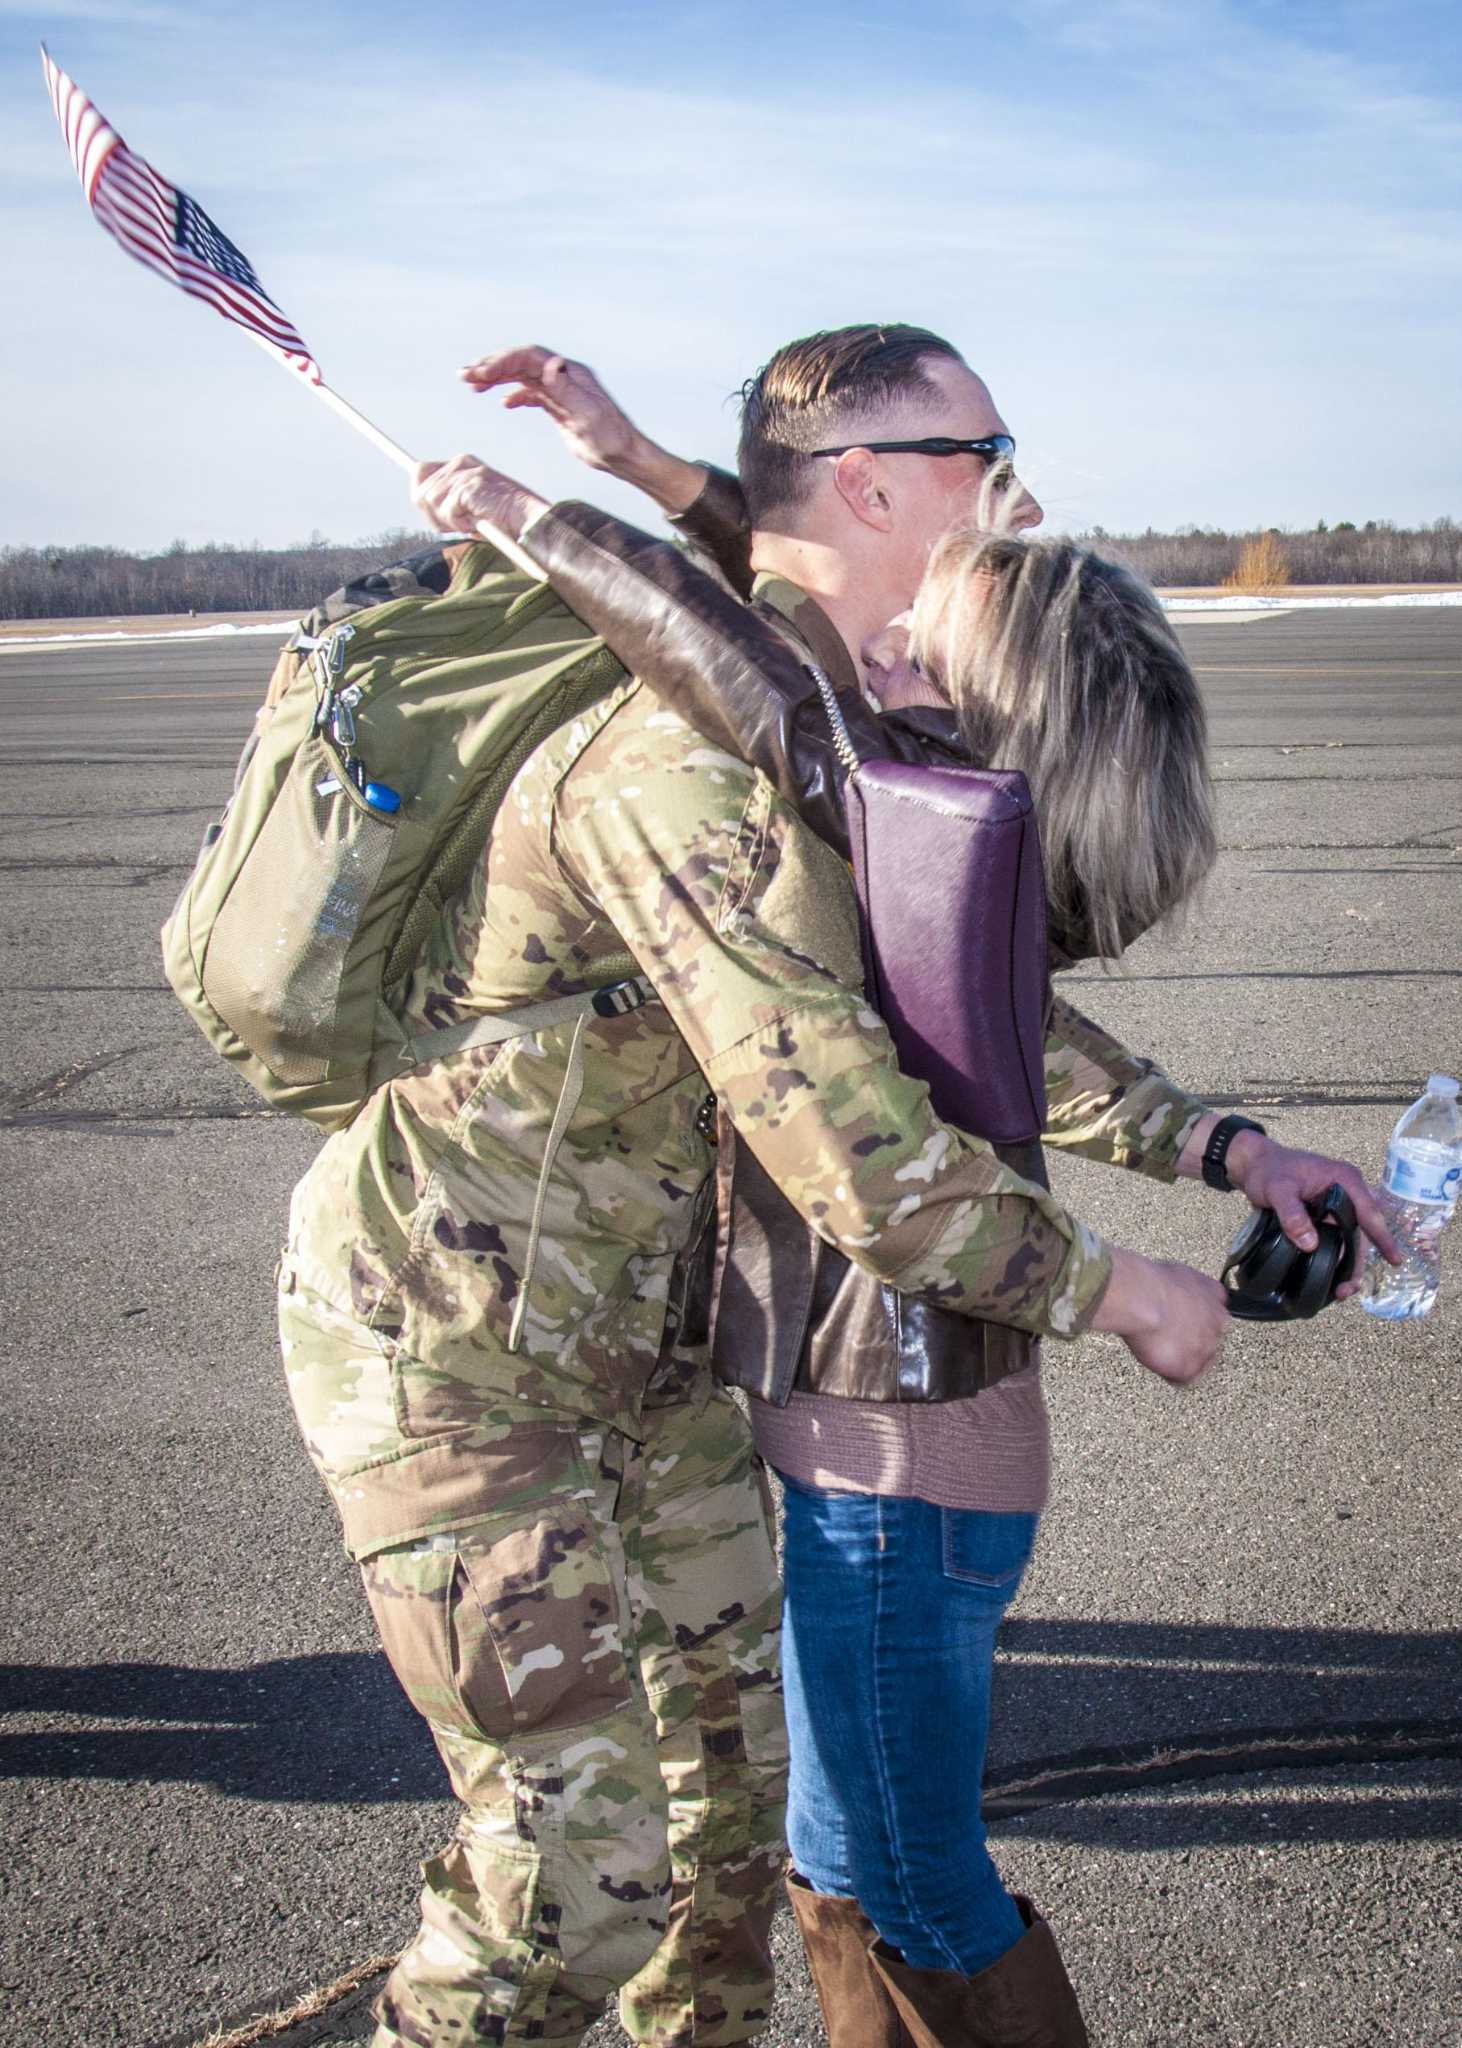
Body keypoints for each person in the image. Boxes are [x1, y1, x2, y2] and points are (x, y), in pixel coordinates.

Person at [402, 326, 1399, 2048]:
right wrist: (626, 474)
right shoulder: (865, 780)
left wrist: (534, 510)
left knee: (901, 1873)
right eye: (982, 456)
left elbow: (749, 669)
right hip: (774, 1399)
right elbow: (760, 629)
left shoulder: (873, 779)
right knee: (833, 1858)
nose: (998, 500)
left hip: (888, 1446)